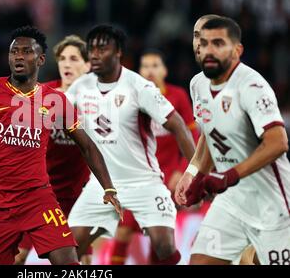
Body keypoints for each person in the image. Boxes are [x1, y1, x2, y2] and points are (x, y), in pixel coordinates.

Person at [0, 26, 122, 265]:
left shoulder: (55, 100)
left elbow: (87, 146)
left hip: (38, 199)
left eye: (26, 52)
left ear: (40, 59)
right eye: (14, 51)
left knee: (69, 263)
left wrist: (108, 188)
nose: (18, 56)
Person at [66, 24, 196, 264]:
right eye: (91, 49)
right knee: (69, 248)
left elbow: (179, 126)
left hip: (144, 182)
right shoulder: (80, 87)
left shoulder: (139, 87)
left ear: (118, 53)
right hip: (101, 185)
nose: (94, 54)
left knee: (164, 245)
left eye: (102, 48)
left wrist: (193, 173)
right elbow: (52, 117)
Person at [175, 16, 290, 265]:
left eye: (218, 43)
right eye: (202, 42)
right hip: (231, 203)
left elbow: (278, 142)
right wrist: (192, 172)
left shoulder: (251, 85)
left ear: (237, 50)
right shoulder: (197, 85)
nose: (207, 49)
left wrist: (230, 175)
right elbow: (209, 135)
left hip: (272, 205)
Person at [110, 49, 199, 265]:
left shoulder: (177, 96)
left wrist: (182, 170)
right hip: (138, 177)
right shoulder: (131, 96)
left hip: (168, 177)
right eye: (145, 66)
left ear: (164, 70)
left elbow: (191, 135)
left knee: (159, 236)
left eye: (155, 65)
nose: (150, 70)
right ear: (139, 71)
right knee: (123, 233)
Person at [14, 35, 93, 265]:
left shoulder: (97, 101)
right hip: (41, 193)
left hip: (79, 196)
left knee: (80, 260)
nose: (67, 64)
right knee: (17, 257)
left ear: (88, 65)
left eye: (74, 58)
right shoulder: (42, 95)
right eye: (62, 59)